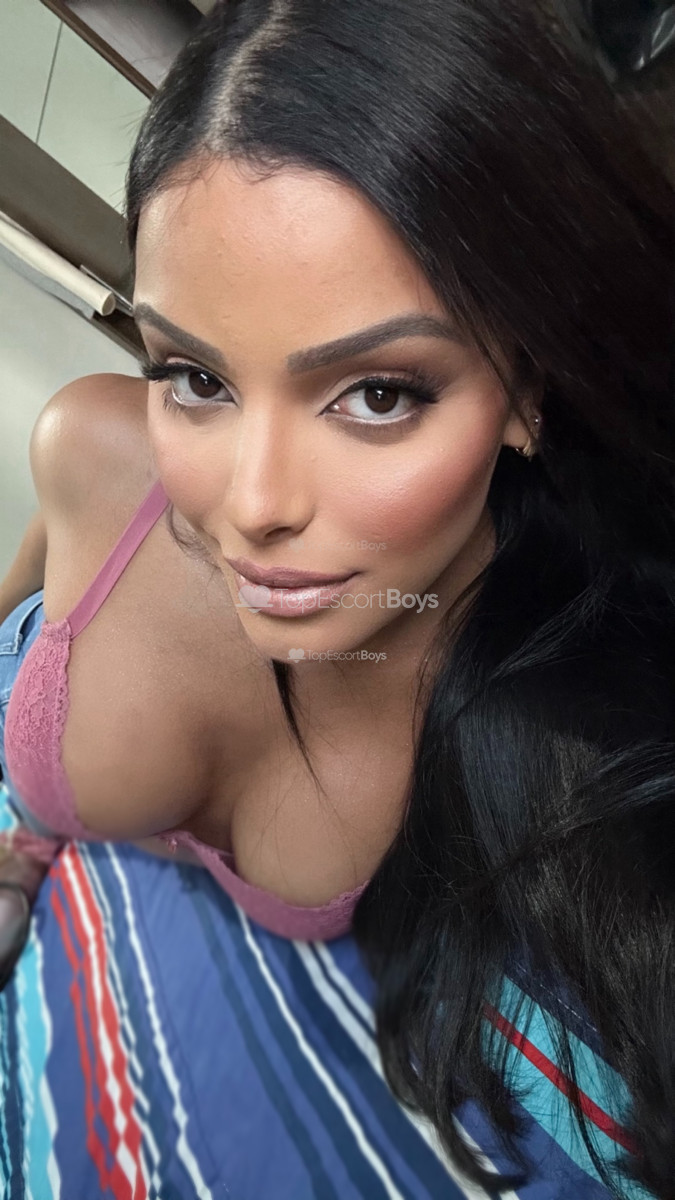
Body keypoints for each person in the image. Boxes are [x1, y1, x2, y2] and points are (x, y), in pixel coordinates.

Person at [0, 0, 674, 1194]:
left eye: (377, 394)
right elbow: (27, 589)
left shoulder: (579, 726)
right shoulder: (95, 446)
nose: (251, 505)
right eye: (195, 375)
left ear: (526, 391)